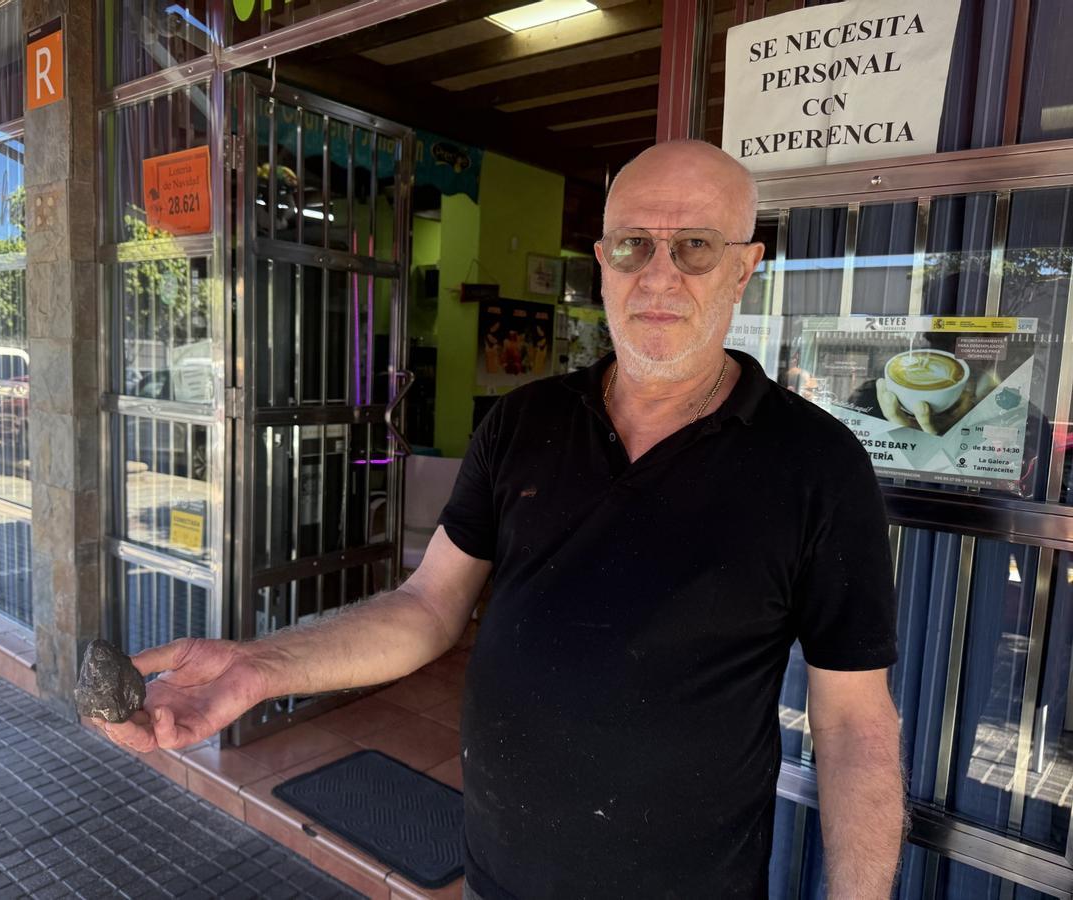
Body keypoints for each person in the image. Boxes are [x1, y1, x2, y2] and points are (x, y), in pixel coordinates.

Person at [94, 140, 905, 899]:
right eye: (632, 245)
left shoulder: (816, 464)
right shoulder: (523, 422)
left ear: (744, 270)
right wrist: (259, 668)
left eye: (695, 245)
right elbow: (427, 606)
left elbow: (853, 722)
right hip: (497, 876)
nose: (659, 275)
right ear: (601, 263)